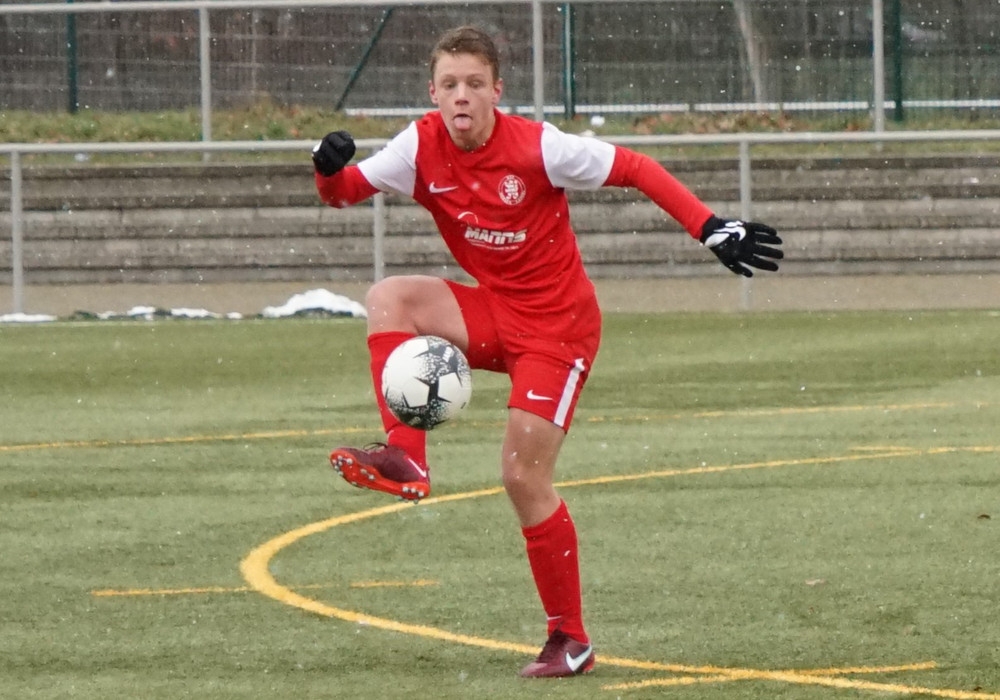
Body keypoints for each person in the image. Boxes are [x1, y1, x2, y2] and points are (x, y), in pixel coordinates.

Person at [312, 25, 782, 679]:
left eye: (475, 83)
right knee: (389, 297)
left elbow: (635, 168)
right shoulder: (417, 147)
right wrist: (325, 165)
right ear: (432, 94)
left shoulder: (540, 147)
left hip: (559, 331)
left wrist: (709, 226)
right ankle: (406, 457)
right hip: (495, 311)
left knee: (521, 477)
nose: (462, 96)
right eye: (450, 84)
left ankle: (570, 639)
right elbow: (341, 193)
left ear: (496, 92)